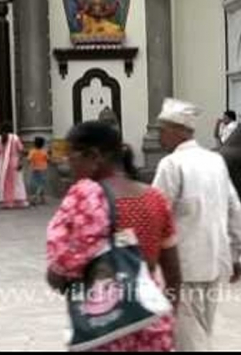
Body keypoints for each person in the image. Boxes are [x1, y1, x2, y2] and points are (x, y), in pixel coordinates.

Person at [46, 120, 182, 351]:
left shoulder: (83, 197)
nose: (69, 165)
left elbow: (57, 275)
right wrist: (167, 313)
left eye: (72, 156)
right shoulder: (154, 198)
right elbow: (173, 271)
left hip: (104, 330)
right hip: (150, 321)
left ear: (94, 156)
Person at [152, 98, 241, 351]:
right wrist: (237, 253)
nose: (160, 136)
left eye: (162, 130)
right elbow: (234, 208)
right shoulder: (214, 160)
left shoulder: (170, 165)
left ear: (177, 130)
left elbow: (155, 216)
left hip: (183, 268)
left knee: (189, 340)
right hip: (215, 264)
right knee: (201, 330)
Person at [0, 123, 29, 209]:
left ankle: (7, 202)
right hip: (14, 162)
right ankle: (19, 200)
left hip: (3, 163)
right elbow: (21, 150)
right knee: (17, 182)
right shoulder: (15, 138)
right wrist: (21, 161)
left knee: (5, 183)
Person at [28, 136, 49, 206]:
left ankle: (42, 198)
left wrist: (31, 164)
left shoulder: (32, 151)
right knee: (41, 184)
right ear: (42, 144)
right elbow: (48, 159)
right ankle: (35, 197)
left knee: (36, 183)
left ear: (34, 144)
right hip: (43, 169)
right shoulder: (44, 151)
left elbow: (29, 159)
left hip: (34, 169)